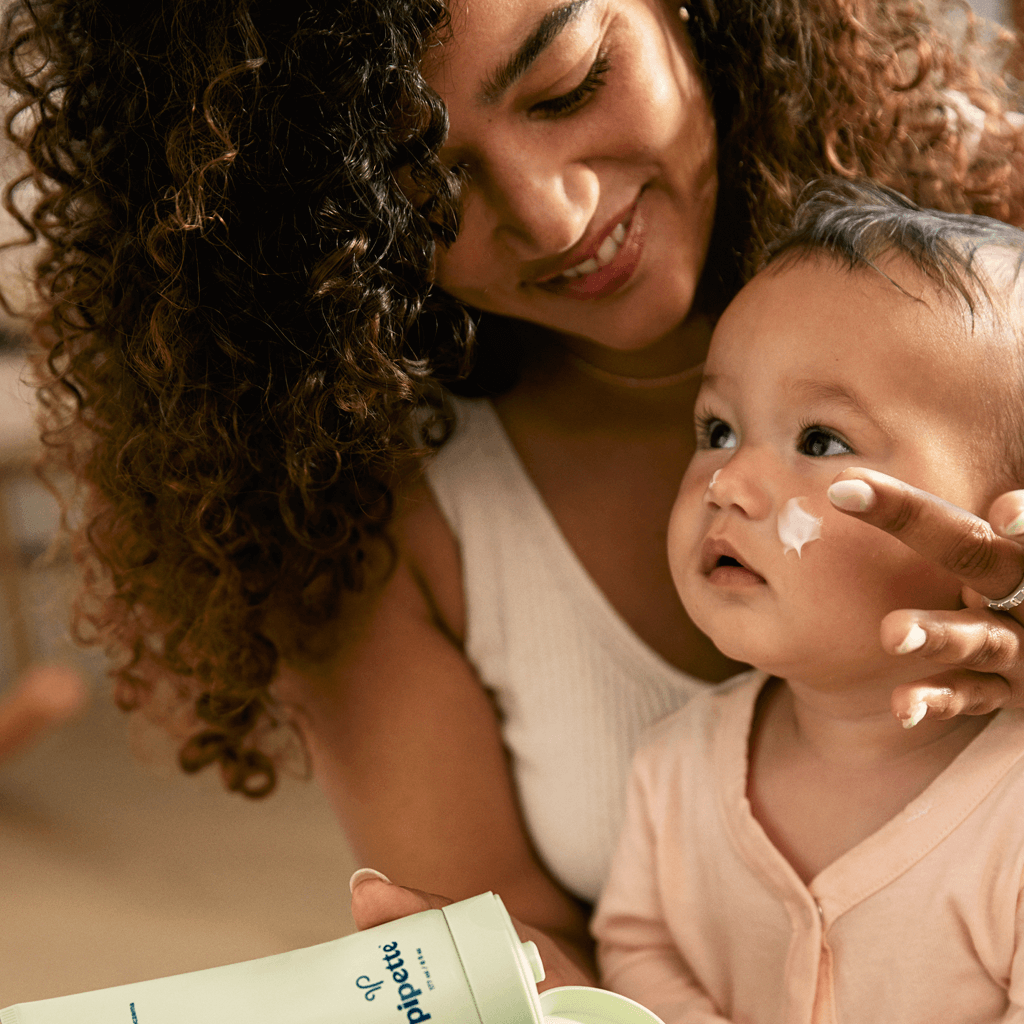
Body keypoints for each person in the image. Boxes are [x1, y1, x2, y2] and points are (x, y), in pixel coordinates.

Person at [2, 0, 1024, 989]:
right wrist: (536, 988)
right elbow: (538, 951)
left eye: (566, 86)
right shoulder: (357, 512)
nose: (552, 214)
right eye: (424, 183)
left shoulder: (998, 297)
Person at [591, 180, 1024, 1023]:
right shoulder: (675, 768)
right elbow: (638, 943)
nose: (728, 483)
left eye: (819, 441)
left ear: (999, 529)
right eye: (717, 429)